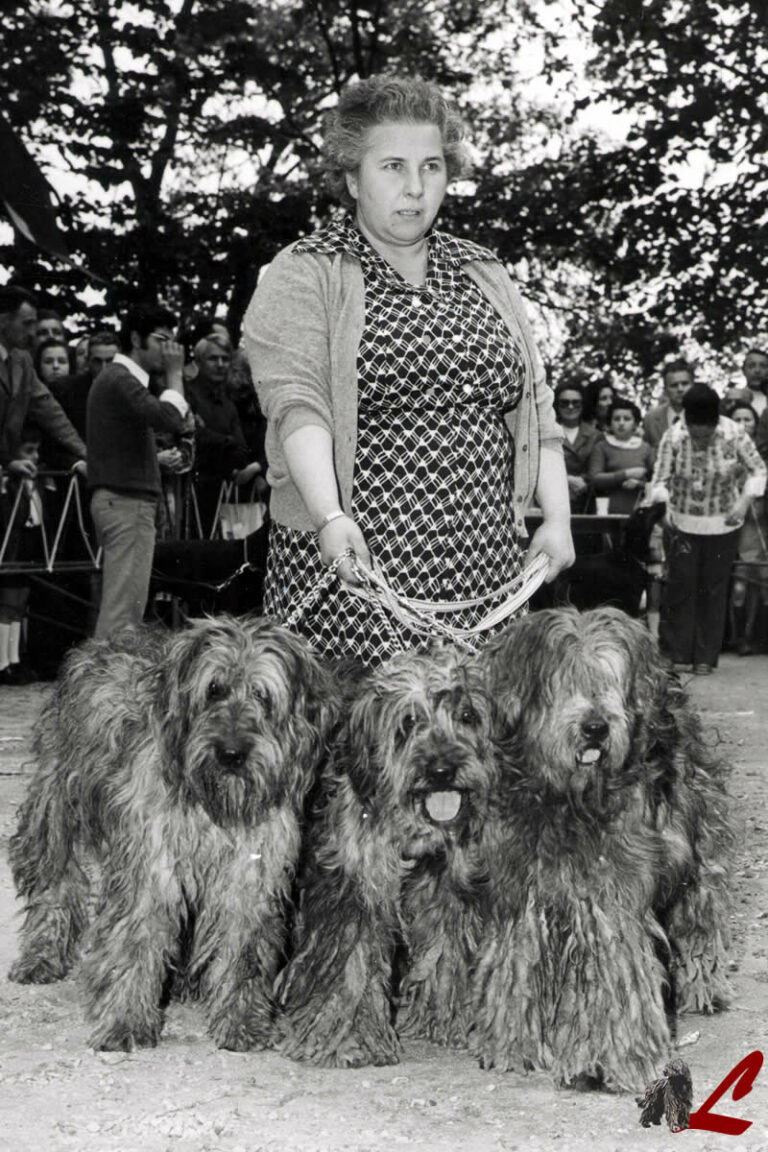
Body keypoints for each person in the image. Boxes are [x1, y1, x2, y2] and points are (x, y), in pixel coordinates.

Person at [243, 75, 573, 666]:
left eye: (432, 167)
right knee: (356, 746)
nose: (416, 188)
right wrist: (329, 518)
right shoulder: (306, 270)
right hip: (353, 569)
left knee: (477, 748)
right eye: (393, 166)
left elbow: (535, 405)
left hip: (486, 572)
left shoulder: (483, 268)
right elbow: (299, 404)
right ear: (351, 176)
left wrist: (557, 519)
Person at [645, 383, 766, 674]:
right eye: (695, 430)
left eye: (706, 431)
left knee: (713, 590)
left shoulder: (734, 432)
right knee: (679, 588)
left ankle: (704, 658)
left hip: (724, 524)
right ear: (686, 419)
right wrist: (665, 510)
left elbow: (759, 470)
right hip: (682, 523)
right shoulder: (673, 436)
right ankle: (675, 655)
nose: (700, 437)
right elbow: (659, 480)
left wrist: (743, 501)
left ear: (716, 421)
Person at [86, 304, 189, 639]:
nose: (170, 350)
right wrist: (176, 376)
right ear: (135, 339)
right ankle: (103, 685)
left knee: (126, 605)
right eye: (162, 339)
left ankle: (103, 682)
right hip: (126, 504)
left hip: (124, 501)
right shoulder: (120, 378)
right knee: (123, 610)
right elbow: (169, 418)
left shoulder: (119, 380)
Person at [186, 333, 262, 535]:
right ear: (199, 361)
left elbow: (242, 452)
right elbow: (193, 438)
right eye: (213, 358)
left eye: (225, 359)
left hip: (222, 492)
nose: (220, 364)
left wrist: (214, 439)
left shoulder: (228, 403)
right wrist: (227, 441)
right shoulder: (187, 393)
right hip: (192, 490)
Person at [726, 402, 768, 655]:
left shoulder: (762, 456)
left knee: (759, 582)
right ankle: (736, 635)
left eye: (748, 420)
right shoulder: (724, 451)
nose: (742, 425)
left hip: (760, 525)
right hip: (735, 526)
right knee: (740, 585)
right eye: (737, 420)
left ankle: (753, 635)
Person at [588, 398, 654, 514]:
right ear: (610, 423)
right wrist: (625, 474)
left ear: (636, 423)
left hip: (639, 512)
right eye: (616, 419)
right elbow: (594, 478)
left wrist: (640, 484)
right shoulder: (602, 447)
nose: (621, 423)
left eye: (627, 419)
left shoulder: (645, 448)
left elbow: (656, 481)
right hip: (607, 511)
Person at [554, 383, 601, 513]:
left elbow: (598, 468)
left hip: (586, 499)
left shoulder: (595, 435)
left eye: (576, 403)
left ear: (583, 405)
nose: (570, 407)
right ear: (557, 405)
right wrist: (567, 479)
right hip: (554, 497)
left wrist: (582, 481)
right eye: (564, 403)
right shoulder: (547, 433)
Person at [642, 359, 693, 449]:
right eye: (674, 385)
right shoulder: (651, 419)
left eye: (685, 384)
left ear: (693, 385)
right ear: (665, 389)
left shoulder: (705, 417)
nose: (680, 389)